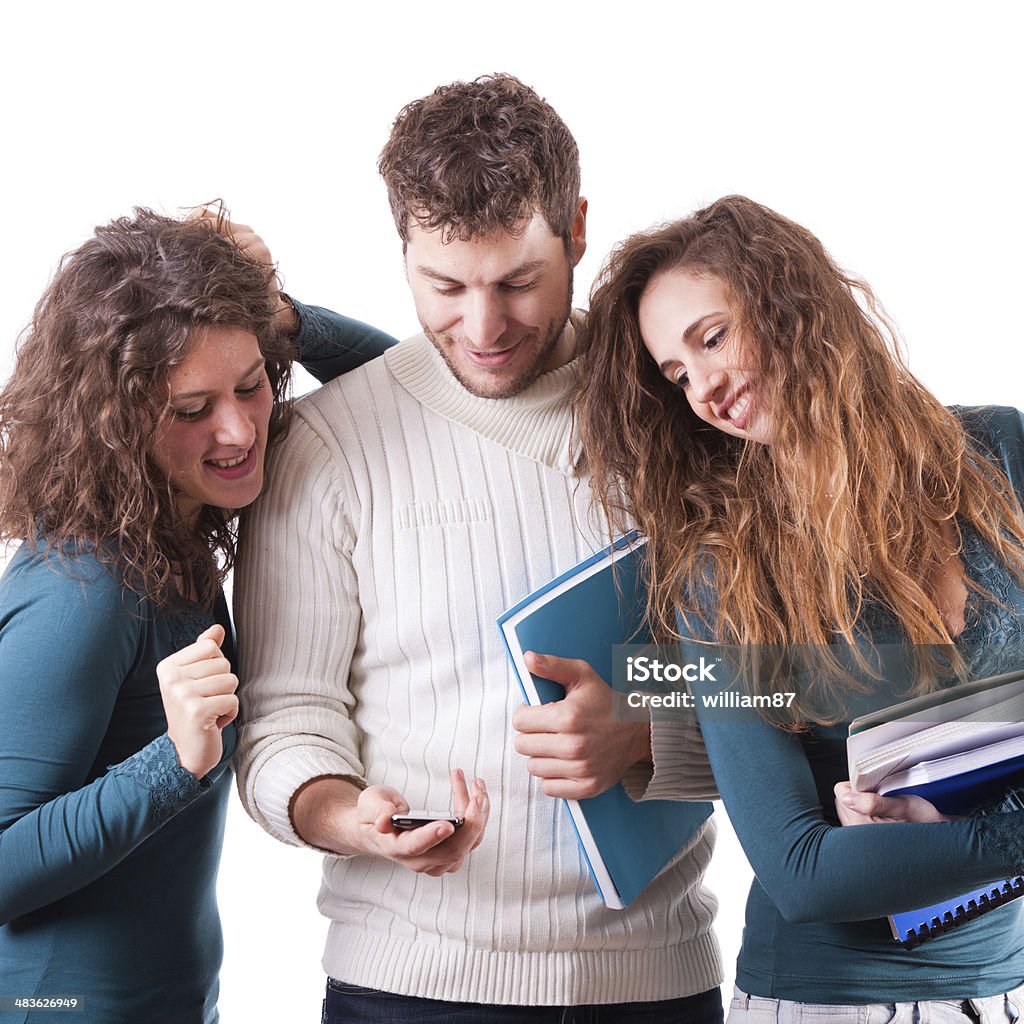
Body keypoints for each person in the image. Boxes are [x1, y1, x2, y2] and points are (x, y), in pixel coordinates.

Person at [234, 74, 725, 1023]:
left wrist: (650, 732)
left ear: (577, 232)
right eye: (445, 286)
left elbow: (797, 695)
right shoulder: (326, 449)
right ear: (403, 254)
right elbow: (285, 721)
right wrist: (352, 818)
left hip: (658, 981)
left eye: (518, 282)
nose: (484, 327)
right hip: (406, 985)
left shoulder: (690, 410)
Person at [531, 194, 1024, 1020]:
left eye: (712, 338)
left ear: (791, 300)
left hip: (1004, 985)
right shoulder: (721, 568)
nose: (704, 388)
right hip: (827, 1000)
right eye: (677, 375)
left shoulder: (1001, 455)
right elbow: (800, 869)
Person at [0, 207, 396, 1023]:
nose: (238, 429)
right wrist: (171, 762)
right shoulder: (87, 584)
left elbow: (404, 395)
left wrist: (278, 315)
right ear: (114, 424)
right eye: (191, 409)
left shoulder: (172, 529)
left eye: (252, 385)